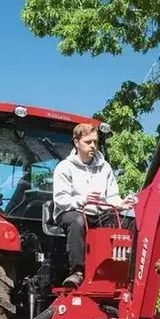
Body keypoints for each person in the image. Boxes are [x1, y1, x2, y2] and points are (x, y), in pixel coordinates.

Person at [53, 122, 137, 288]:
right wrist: (82, 199)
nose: (93, 146)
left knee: (130, 223)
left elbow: (112, 196)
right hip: (72, 210)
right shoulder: (64, 168)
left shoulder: (105, 168)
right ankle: (77, 272)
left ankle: (127, 272)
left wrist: (121, 203)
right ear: (77, 142)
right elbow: (61, 200)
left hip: (99, 213)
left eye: (96, 142)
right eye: (88, 142)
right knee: (77, 221)